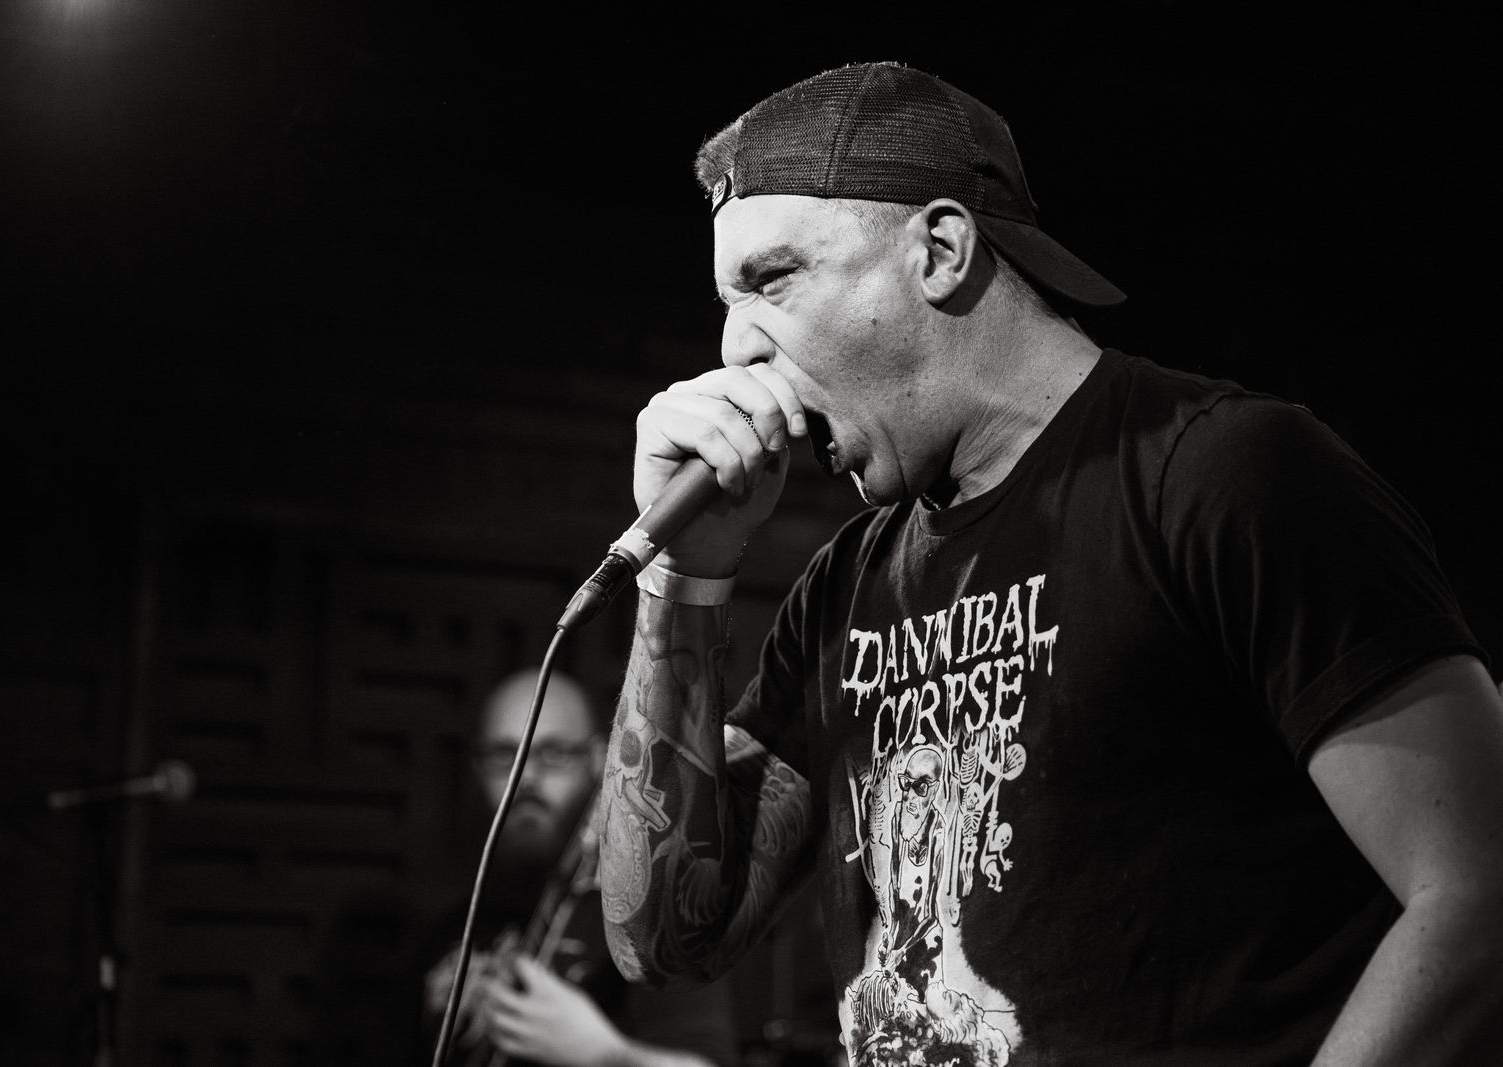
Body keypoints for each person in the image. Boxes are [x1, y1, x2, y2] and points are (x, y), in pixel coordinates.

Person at [595, 61, 1503, 1065]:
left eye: (774, 279)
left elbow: (1476, 893)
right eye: (728, 300)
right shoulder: (845, 586)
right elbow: (663, 940)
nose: (736, 348)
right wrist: (683, 574)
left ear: (941, 250)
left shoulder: (1218, 476)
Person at [429, 668, 738, 1067]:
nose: (526, 777)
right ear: (477, 767)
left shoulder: (652, 917)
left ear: (597, 760)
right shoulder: (449, 920)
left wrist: (603, 1053)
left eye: (553, 754)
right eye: (505, 756)